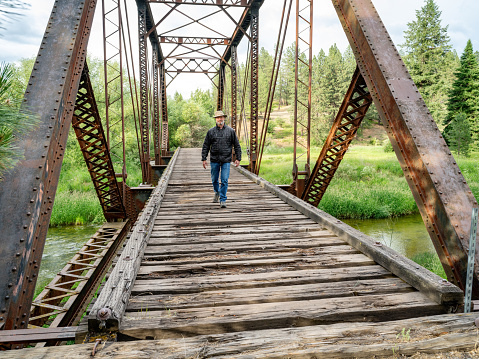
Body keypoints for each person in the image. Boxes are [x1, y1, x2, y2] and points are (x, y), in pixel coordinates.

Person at [201, 110, 242, 208]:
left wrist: (238, 158)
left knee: (224, 180)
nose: (220, 119)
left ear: (224, 118)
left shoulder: (230, 131)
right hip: (214, 159)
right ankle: (217, 192)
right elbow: (206, 145)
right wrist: (204, 158)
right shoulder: (211, 132)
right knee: (214, 179)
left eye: (222, 117)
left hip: (226, 160)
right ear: (216, 119)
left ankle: (223, 199)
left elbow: (237, 145)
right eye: (218, 117)